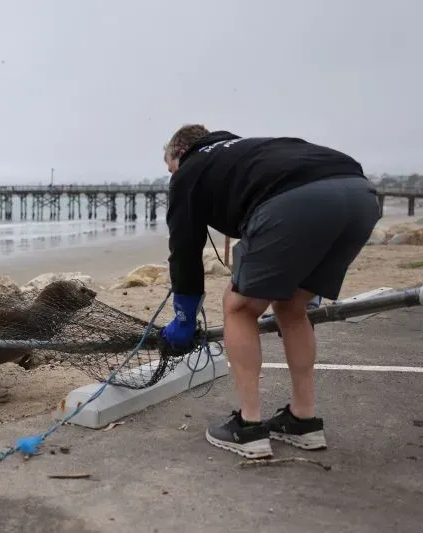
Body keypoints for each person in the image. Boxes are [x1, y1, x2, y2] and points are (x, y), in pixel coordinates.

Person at [159, 124, 380, 459]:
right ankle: (303, 421)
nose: (173, 176)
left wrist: (184, 317)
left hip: (295, 201)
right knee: (292, 307)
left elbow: (185, 250)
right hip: (359, 195)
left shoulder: (189, 171)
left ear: (180, 153)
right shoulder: (248, 150)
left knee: (239, 308)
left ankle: (248, 428)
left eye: (170, 169)